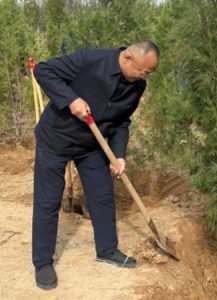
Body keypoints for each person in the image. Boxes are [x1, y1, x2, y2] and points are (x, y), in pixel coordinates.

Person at [32, 41, 160, 290]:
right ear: (128, 59)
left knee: (102, 196)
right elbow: (44, 71)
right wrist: (71, 99)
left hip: (92, 145)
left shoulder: (137, 87)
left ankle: (107, 249)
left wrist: (119, 155)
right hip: (56, 139)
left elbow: (122, 122)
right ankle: (43, 263)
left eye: (150, 74)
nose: (146, 77)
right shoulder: (90, 60)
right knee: (48, 201)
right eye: (145, 71)